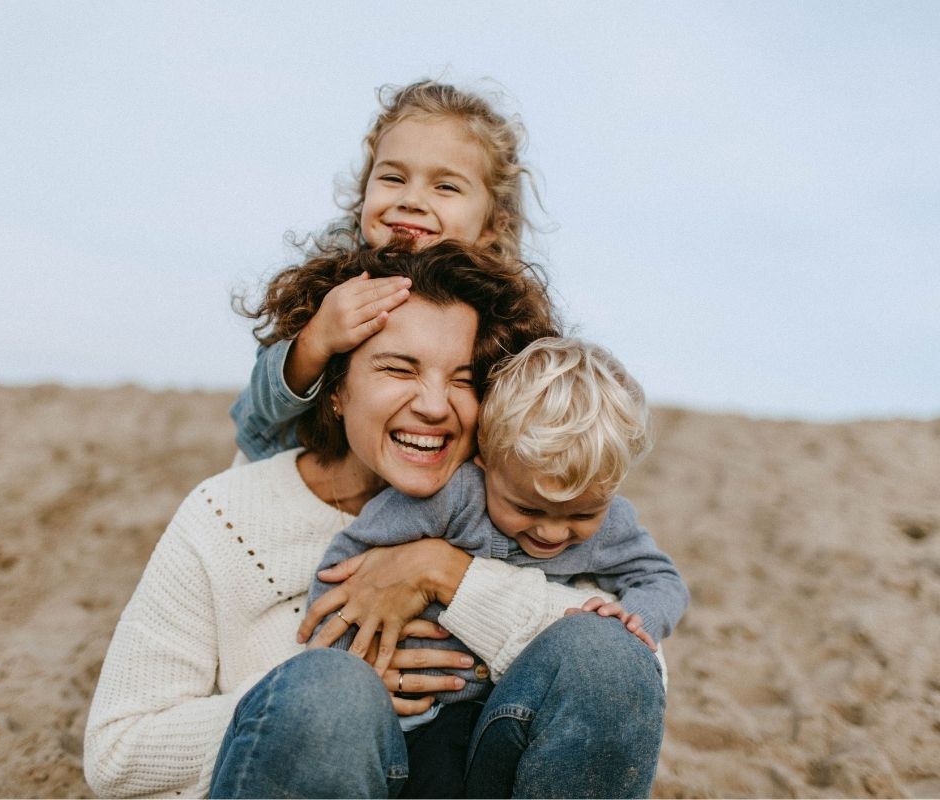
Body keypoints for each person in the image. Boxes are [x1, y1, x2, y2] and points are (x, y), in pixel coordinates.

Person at [83, 243, 668, 799]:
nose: (435, 405)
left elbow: (629, 673)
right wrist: (307, 696)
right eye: (398, 368)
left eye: (463, 379)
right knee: (329, 692)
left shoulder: (526, 506)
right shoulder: (227, 514)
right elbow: (117, 753)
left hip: (470, 770)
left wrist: (449, 575)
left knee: (606, 655)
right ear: (336, 388)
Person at [307, 337, 689, 708]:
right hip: (397, 700)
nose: (552, 533)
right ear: (485, 459)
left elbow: (661, 579)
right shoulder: (452, 498)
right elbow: (346, 566)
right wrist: (349, 670)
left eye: (581, 514)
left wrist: (638, 618)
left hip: (497, 710)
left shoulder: (610, 527)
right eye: (527, 509)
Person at [231, 79, 539, 462]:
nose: (411, 200)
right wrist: (318, 337)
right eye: (393, 178)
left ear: (494, 224)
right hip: (296, 471)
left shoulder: (499, 309)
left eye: (445, 187)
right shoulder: (333, 274)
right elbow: (256, 412)